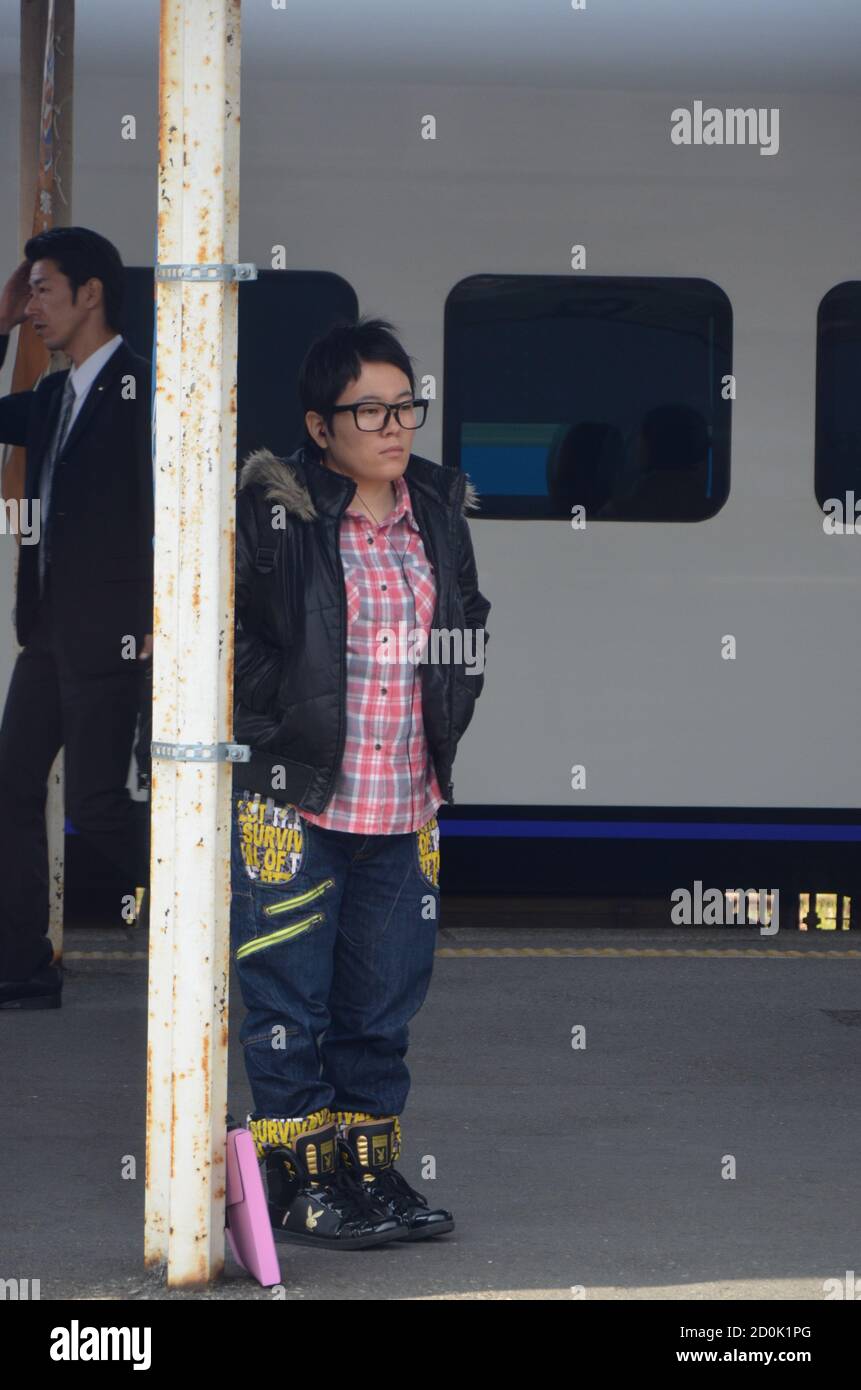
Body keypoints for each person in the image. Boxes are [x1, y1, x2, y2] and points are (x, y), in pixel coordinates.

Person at [230, 316, 491, 1248]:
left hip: (406, 799)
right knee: (287, 996)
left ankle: (368, 1168)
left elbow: (468, 619)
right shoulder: (278, 515)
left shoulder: (438, 511)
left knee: (381, 1002)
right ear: (319, 425)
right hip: (296, 797)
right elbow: (230, 635)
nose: (394, 426)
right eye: (368, 409)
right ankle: (299, 1179)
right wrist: (283, 713)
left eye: (405, 405)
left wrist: (452, 703)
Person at [0, 227, 153, 1009]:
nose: (32, 307)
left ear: (90, 294)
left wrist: (158, 622)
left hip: (117, 632)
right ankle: (23, 969)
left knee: (95, 805)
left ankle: (223, 911)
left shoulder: (145, 389)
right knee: (12, 788)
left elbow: (171, 512)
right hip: (50, 632)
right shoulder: (55, 395)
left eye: (42, 290)